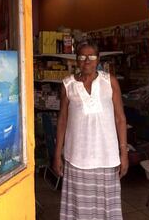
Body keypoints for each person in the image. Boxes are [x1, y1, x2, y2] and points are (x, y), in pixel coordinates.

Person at [53, 40, 129, 220]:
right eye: (82, 57)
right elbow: (62, 121)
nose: (86, 61)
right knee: (79, 208)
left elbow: (120, 118)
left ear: (99, 59)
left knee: (106, 208)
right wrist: (57, 155)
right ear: (76, 60)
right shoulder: (68, 85)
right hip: (77, 158)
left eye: (91, 57)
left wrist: (123, 152)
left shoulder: (109, 81)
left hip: (106, 157)